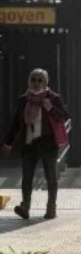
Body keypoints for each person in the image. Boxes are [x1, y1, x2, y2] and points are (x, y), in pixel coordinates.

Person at [0, 68, 70, 220]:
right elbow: (16, 123)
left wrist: (50, 107)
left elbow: (64, 116)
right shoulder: (23, 100)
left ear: (45, 82)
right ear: (29, 82)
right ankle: (25, 206)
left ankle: (51, 207)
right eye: (33, 79)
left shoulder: (53, 98)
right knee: (27, 177)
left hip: (48, 142)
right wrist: (8, 142)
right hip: (29, 142)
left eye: (40, 80)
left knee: (50, 176)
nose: (36, 83)